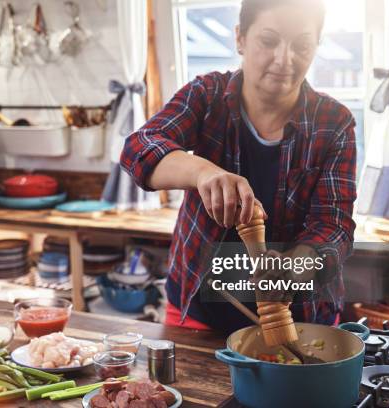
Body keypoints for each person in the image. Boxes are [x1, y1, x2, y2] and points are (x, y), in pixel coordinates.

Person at [120, 0, 357, 334]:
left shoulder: (334, 123)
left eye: (301, 45)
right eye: (269, 41)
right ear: (241, 38)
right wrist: (204, 173)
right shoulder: (207, 96)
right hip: (198, 310)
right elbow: (138, 149)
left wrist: (295, 267)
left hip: (301, 318)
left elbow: (333, 226)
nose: (284, 59)